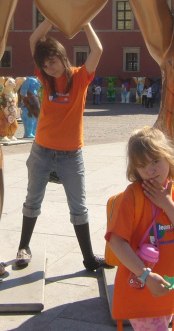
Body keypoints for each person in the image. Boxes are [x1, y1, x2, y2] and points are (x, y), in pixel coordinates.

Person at [15, 18, 109, 271]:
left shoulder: (80, 77)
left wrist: (86, 23)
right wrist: (51, 19)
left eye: (53, 62)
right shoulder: (44, 79)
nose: (49, 68)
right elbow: (33, 40)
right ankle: (23, 247)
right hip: (41, 150)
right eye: (44, 65)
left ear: (62, 57)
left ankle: (88, 258)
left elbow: (97, 50)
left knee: (79, 206)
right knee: (32, 200)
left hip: (71, 154)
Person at [106, 126, 174, 330]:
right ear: (135, 170)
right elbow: (116, 240)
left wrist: (167, 204)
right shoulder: (132, 196)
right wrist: (145, 275)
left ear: (168, 157)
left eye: (155, 161)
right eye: (142, 165)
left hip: (169, 289)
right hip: (141, 289)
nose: (150, 170)